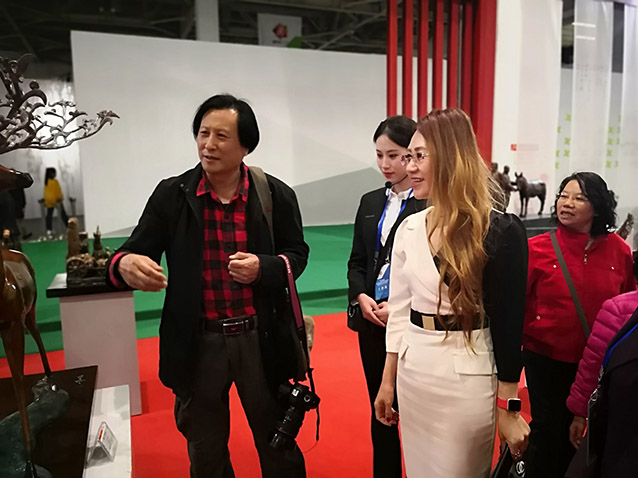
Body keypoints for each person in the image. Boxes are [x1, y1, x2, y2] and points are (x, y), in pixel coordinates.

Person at [105, 94, 309, 478]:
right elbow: (130, 252)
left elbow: (296, 254)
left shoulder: (275, 195)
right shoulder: (172, 195)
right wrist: (125, 264)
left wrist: (264, 268)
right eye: (203, 133)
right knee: (205, 450)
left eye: (221, 136)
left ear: (246, 145)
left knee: (277, 444)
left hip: (260, 339)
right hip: (198, 342)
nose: (208, 144)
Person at [374, 108, 530, 477]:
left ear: (450, 157)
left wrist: (509, 407)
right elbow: (399, 310)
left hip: (468, 379)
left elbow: (510, 326)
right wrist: (387, 380)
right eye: (408, 156)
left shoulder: (498, 230)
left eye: (419, 156)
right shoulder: (409, 228)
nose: (409, 167)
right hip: (414, 374)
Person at [523, 172, 635, 478]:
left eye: (578, 198)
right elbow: (519, 302)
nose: (567, 203)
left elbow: (627, 306)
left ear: (597, 207)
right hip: (544, 358)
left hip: (598, 362)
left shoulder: (619, 251)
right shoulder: (536, 248)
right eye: (563, 196)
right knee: (547, 429)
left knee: (590, 435)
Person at [347, 115, 424, 478]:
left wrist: (399, 306)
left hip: (413, 322)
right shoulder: (370, 201)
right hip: (372, 319)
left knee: (415, 410)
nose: (385, 164)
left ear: (414, 154)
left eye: (394, 155)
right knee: (380, 406)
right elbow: (357, 261)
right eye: (379, 155)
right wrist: (360, 296)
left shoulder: (428, 203)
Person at [566, 252, 638, 449]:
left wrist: (580, 413)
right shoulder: (619, 310)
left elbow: (593, 366)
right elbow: (593, 364)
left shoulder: (619, 309)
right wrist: (580, 412)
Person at [43, 167, 69, 235]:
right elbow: (57, 191)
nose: (55, 174)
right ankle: (68, 227)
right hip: (57, 201)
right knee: (63, 214)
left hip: (49, 201)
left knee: (49, 215)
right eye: (54, 173)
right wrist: (60, 198)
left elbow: (47, 193)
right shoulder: (54, 182)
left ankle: (49, 230)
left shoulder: (46, 182)